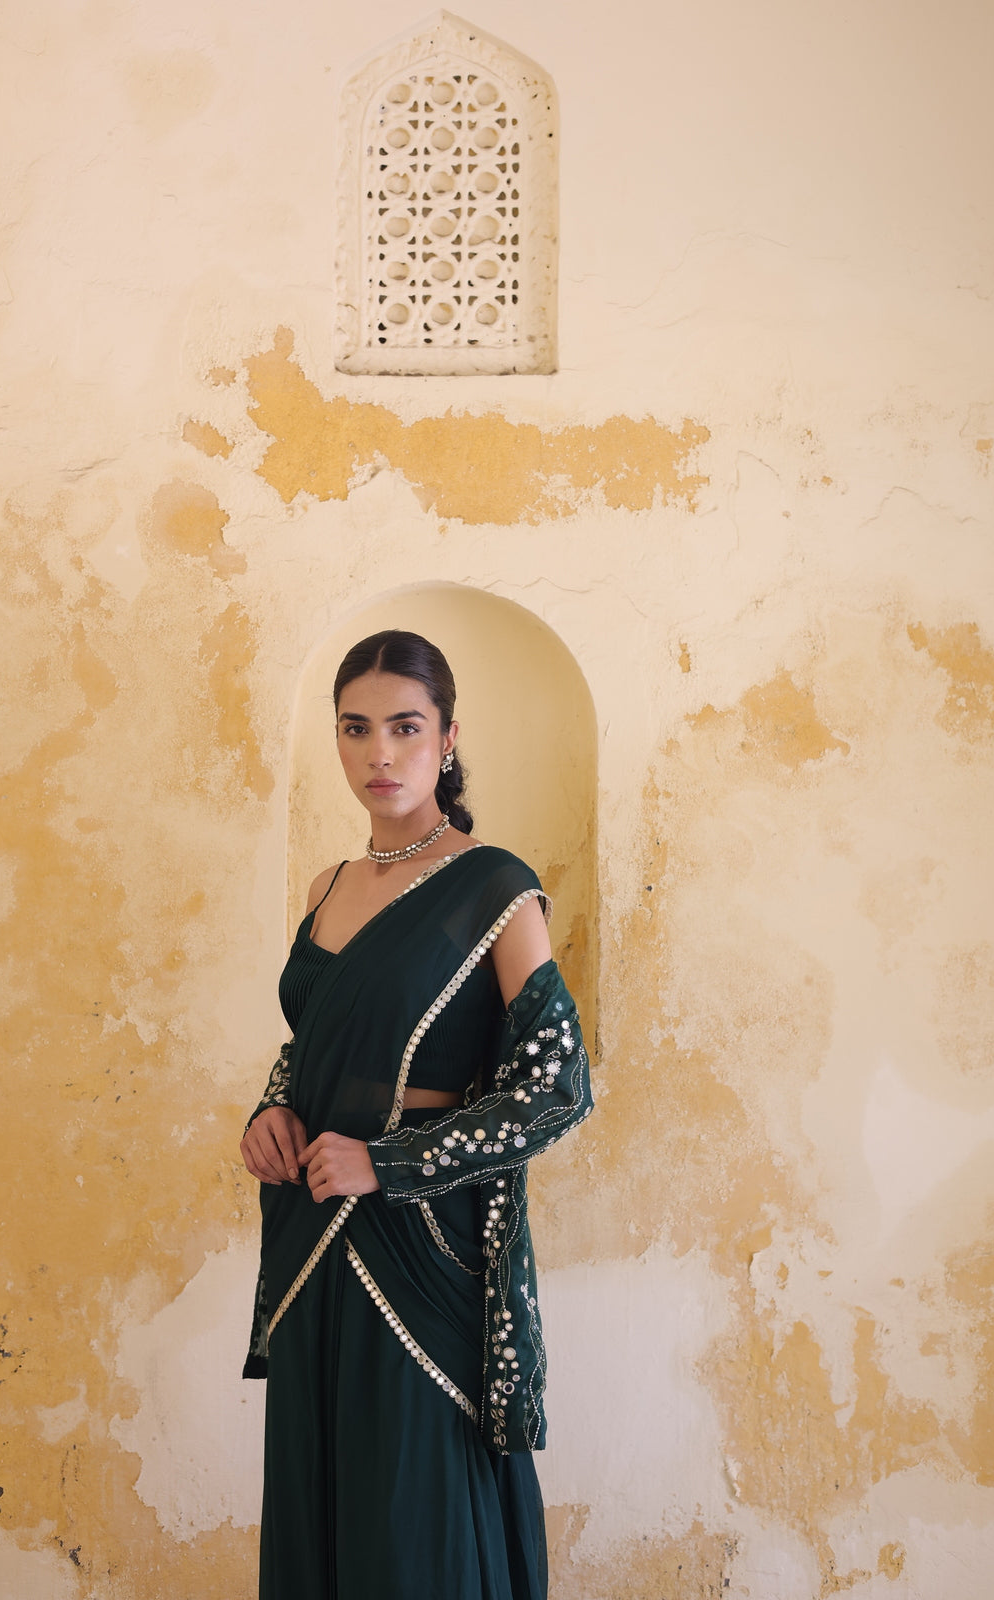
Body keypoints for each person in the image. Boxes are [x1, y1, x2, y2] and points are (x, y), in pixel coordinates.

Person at [240, 629, 592, 1600]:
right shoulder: (327, 889)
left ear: (446, 738)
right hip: (313, 1230)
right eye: (355, 729)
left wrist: (388, 1163)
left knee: (412, 1509)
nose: (379, 753)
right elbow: (311, 1044)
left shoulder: (493, 888)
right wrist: (272, 1113)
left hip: (421, 1243)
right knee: (324, 1491)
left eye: (404, 727)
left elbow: (556, 1087)